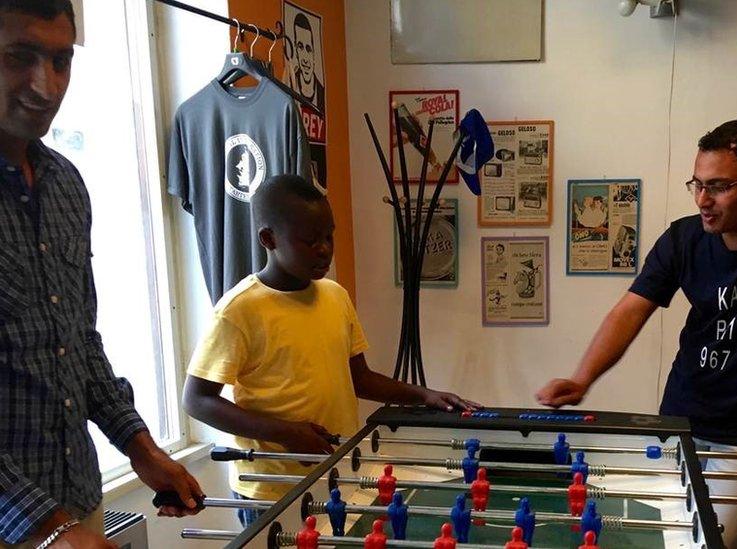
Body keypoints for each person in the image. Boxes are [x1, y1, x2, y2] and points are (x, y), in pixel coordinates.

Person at [536, 119, 737, 547]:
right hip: (678, 418)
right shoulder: (684, 237)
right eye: (698, 184)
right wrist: (582, 379)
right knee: (670, 540)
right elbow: (630, 310)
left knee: (709, 543)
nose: (703, 200)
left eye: (720, 186)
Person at [0, 1, 204, 547]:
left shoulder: (65, 184)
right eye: (20, 57)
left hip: (77, 505)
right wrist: (50, 527)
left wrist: (141, 447)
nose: (46, 87)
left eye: (62, 60)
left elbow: (77, 343)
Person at [182, 174, 479, 527]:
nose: (324, 248)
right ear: (268, 238)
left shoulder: (335, 296)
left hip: (337, 472)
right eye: (310, 240)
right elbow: (197, 400)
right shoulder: (238, 310)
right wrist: (287, 433)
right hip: (271, 489)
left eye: (329, 236)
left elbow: (360, 379)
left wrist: (424, 395)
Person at [290, 13, 324, 113]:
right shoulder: (290, 88)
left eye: (308, 49)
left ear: (314, 54)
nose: (305, 58)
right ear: (296, 51)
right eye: (300, 47)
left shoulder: (321, 92)